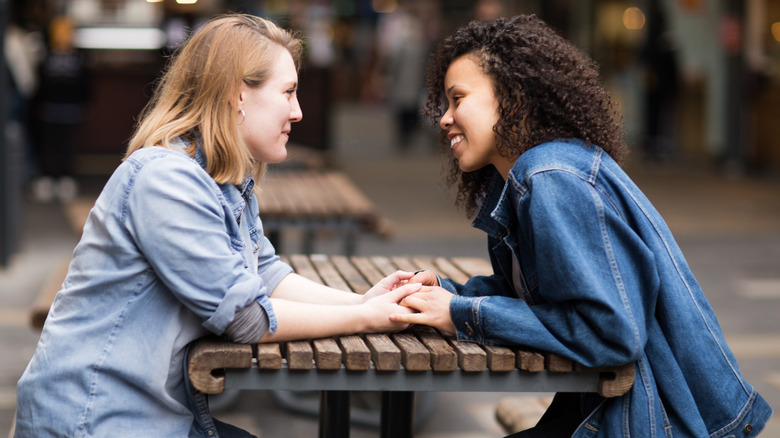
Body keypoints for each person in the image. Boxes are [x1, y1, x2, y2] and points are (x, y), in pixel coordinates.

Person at [14, 14, 420, 438]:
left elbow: (266, 274)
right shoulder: (167, 180)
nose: (297, 112)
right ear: (237, 94)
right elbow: (246, 319)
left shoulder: (223, 178)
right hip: (92, 418)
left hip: (145, 414)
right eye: (288, 92)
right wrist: (367, 320)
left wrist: (361, 303)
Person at [390, 15, 773, 437]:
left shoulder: (551, 178)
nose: (444, 118)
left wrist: (462, 314)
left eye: (457, 99)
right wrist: (449, 295)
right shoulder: (528, 177)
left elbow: (611, 333)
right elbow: (547, 298)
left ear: (513, 98)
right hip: (611, 411)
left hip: (651, 420)